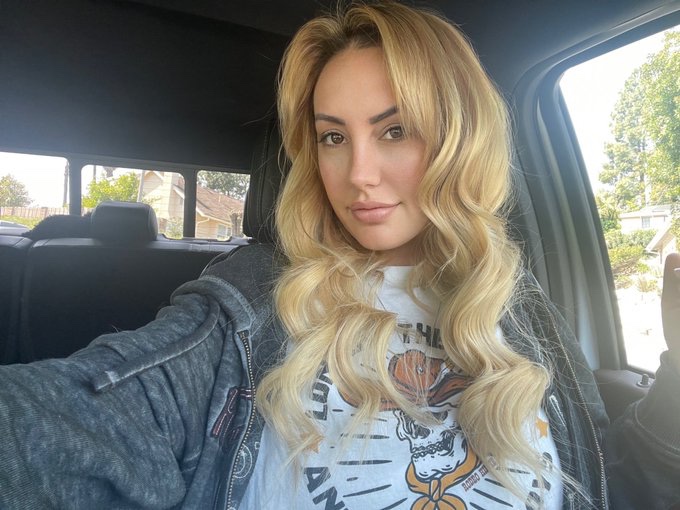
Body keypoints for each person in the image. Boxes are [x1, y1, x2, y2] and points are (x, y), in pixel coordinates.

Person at [0, 2, 678, 509]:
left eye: (395, 130)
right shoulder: (250, 305)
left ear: (460, 138)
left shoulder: (524, 314)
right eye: (332, 137)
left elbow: (611, 488)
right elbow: (67, 421)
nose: (358, 174)